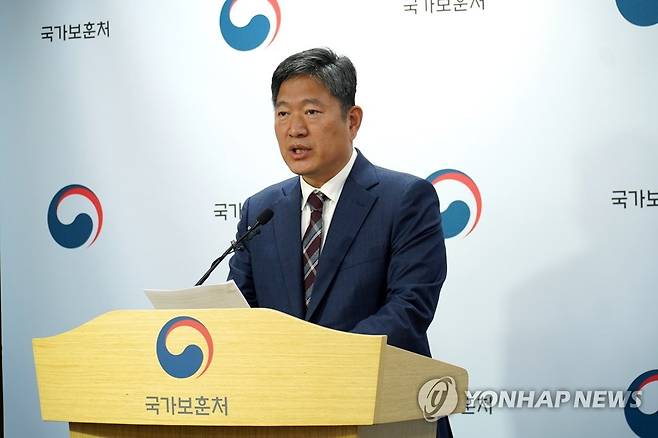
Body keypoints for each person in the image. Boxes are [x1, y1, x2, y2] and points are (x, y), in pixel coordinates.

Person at [228, 48, 451, 437]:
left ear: (352, 120)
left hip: (383, 416)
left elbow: (409, 309)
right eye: (283, 113)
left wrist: (318, 362)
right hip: (285, 418)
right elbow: (240, 312)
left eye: (312, 112)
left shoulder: (405, 200)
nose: (295, 128)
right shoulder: (260, 211)